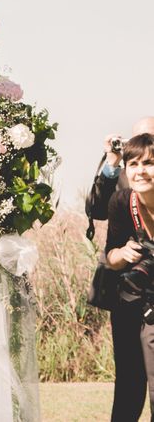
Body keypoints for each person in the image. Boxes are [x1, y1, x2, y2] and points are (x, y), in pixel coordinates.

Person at [105, 133, 154, 421]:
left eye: (149, 163)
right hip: (131, 300)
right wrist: (124, 253)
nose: (140, 171)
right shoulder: (122, 202)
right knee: (128, 383)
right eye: (133, 164)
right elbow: (110, 256)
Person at [88, 117, 154, 227]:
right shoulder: (130, 177)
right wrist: (112, 166)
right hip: (129, 241)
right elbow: (97, 211)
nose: (145, 146)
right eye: (139, 140)